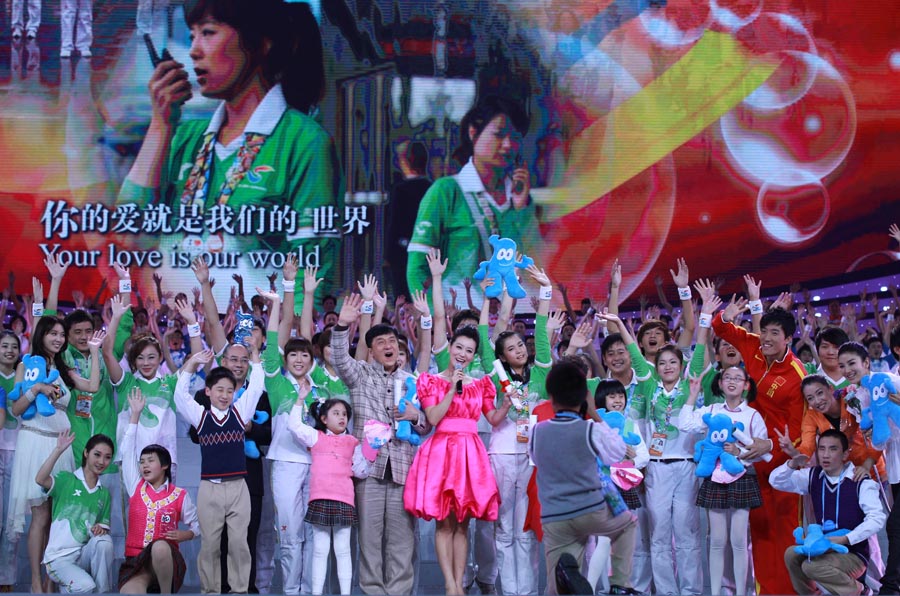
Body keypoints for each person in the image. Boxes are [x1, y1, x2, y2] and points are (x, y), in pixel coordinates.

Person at [119, 0, 343, 309]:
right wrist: (160, 126)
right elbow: (125, 237)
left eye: (208, 33)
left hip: (253, 340)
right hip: (170, 339)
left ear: (262, 43)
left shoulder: (304, 141)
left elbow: (312, 276)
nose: (194, 50)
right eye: (192, 35)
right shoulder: (182, 136)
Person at [331, 294, 431, 595]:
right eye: (381, 343)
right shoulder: (360, 376)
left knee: (402, 541)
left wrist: (415, 417)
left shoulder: (410, 379)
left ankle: (399, 592)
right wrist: (342, 326)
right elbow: (340, 358)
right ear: (372, 351)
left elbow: (425, 426)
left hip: (402, 470)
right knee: (370, 541)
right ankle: (373, 591)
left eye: (392, 342)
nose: (389, 346)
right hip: (370, 471)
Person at [712, 302, 807, 595]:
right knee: (760, 530)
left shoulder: (796, 374)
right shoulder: (752, 346)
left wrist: (771, 446)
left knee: (786, 530)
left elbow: (799, 429)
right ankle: (765, 590)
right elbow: (720, 328)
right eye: (763, 330)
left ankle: (791, 590)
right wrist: (727, 314)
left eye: (774, 333)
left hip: (781, 466)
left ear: (788, 338)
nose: (766, 338)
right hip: (747, 461)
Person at [404, 327, 506, 595]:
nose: (463, 354)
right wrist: (451, 389)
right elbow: (434, 418)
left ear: (474, 356)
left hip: (470, 453)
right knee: (444, 522)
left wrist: (508, 404)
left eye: (469, 350)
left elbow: (493, 419)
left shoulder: (480, 385)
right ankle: (450, 584)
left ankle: (459, 584)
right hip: (442, 452)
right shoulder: (430, 381)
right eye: (459, 347)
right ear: (450, 347)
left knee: (463, 524)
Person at [8, 315, 104, 593]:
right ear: (42, 335)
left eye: (62, 335)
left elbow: (93, 386)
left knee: (57, 517)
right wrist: (36, 389)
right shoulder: (26, 364)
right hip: (35, 442)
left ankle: (52, 583)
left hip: (60, 446)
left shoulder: (64, 368)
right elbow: (16, 411)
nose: (58, 339)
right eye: (53, 334)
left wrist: (95, 352)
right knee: (40, 517)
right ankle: (37, 584)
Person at [406, 95, 538, 297]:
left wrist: (521, 210)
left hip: (513, 316)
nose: (508, 145)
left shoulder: (520, 196)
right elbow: (417, 269)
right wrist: (435, 317)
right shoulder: (446, 191)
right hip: (459, 319)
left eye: (516, 137)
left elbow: (536, 264)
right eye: (499, 135)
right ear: (473, 133)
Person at [529, 360, 637, 595]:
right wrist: (596, 415)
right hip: (590, 510)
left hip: (554, 515)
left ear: (551, 397)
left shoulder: (537, 432)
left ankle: (565, 583)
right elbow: (618, 452)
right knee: (628, 524)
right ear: (583, 399)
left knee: (556, 580)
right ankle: (619, 585)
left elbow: (537, 460)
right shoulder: (591, 429)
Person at [479, 264, 554, 596]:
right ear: (502, 356)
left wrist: (546, 291)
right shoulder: (496, 377)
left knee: (526, 528)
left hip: (533, 457)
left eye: (521, 345)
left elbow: (541, 332)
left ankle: (527, 591)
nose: (520, 349)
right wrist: (486, 299)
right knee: (504, 528)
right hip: (502, 454)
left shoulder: (539, 374)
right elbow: (482, 337)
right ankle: (508, 590)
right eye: (511, 348)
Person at [174, 347, 264, 594]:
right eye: (219, 390)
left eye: (229, 390)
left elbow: (256, 387)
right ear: (208, 391)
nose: (224, 395)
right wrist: (192, 364)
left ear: (234, 393)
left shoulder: (240, 412)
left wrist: (255, 356)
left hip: (238, 487)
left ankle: (239, 590)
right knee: (211, 545)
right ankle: (210, 590)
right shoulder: (201, 417)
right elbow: (180, 397)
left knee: (239, 543)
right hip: (209, 489)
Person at [678, 369, 768, 596]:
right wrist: (693, 394)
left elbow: (761, 451)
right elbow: (685, 424)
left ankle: (741, 592)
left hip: (742, 477)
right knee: (717, 540)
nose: (732, 382)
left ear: (746, 385)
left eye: (738, 378)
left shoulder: (753, 415)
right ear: (720, 383)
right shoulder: (711, 410)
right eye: (727, 377)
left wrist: (740, 452)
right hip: (715, 478)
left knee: (739, 541)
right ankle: (716, 592)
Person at [770, 429, 886, 595]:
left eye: (833, 449)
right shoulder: (814, 475)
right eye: (821, 449)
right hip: (823, 546)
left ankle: (860, 591)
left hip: (852, 553)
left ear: (845, 454)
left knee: (811, 566)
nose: (825, 455)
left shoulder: (860, 481)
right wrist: (792, 463)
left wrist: (846, 538)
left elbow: (877, 519)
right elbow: (776, 481)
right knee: (791, 554)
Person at [105, 296, 201, 476]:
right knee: (135, 506)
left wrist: (192, 322)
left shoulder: (170, 383)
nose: (146, 363)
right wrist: (115, 318)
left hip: (164, 460)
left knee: (164, 505)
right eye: (140, 358)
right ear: (134, 361)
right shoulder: (127, 382)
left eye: (151, 357)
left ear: (160, 358)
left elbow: (196, 358)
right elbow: (107, 354)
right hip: (132, 459)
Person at [287, 398, 373, 595]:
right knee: (320, 550)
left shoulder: (353, 442)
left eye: (344, 414)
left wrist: (371, 451)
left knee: (343, 550)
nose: (342, 417)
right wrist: (300, 399)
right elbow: (294, 425)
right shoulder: (316, 437)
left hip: (344, 500)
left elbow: (360, 471)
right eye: (336, 413)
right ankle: (317, 593)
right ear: (324, 419)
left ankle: (345, 593)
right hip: (320, 498)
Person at [118, 390, 200, 594]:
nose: (144, 465)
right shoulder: (135, 487)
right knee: (129, 593)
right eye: (142, 462)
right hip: (138, 564)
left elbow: (198, 526)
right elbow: (127, 451)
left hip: (166, 563)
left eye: (150, 461)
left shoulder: (179, 495)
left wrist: (186, 534)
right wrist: (134, 416)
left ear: (164, 465)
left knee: (160, 546)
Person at [37, 431, 114, 593]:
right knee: (85, 587)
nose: (102, 461)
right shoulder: (67, 480)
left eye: (107, 457)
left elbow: (103, 527)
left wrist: (100, 529)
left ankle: (102, 592)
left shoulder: (104, 493)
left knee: (104, 542)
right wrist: (58, 450)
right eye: (97, 455)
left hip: (83, 555)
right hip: (59, 559)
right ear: (86, 453)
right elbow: (40, 479)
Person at [387, 140, 432, 300]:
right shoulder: (433, 189)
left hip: (403, 258)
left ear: (404, 161)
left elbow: (394, 227)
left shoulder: (400, 191)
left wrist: (389, 255)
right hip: (430, 258)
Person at [0, 331, 20, 591]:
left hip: (18, 450)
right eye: (4, 346)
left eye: (14, 346)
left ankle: (6, 578)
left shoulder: (24, 375)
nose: (9, 351)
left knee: (11, 521)